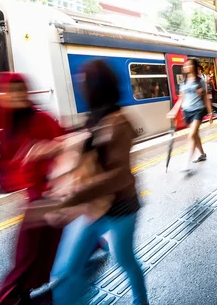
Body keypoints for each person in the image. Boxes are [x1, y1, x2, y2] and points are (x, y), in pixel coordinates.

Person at [51, 60, 148, 305]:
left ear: (97, 86)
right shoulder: (95, 118)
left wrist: (75, 196)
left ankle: (141, 301)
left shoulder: (118, 122)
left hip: (120, 207)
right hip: (93, 207)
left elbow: (119, 175)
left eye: (83, 81)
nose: (80, 86)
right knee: (66, 270)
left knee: (125, 259)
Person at [0, 73, 65, 305]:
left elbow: (65, 143)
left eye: (19, 90)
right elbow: (10, 160)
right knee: (42, 244)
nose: (14, 96)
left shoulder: (40, 118)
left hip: (49, 192)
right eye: (10, 92)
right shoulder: (12, 123)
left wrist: (44, 150)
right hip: (36, 194)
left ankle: (6, 298)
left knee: (27, 251)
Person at [168, 58, 213, 171]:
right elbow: (181, 99)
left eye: (189, 65)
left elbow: (206, 98)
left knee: (191, 135)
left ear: (193, 66)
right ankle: (202, 154)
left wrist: (211, 112)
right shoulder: (183, 82)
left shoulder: (200, 81)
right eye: (185, 65)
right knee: (195, 135)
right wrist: (174, 110)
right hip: (187, 111)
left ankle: (186, 164)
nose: (186, 67)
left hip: (198, 110)